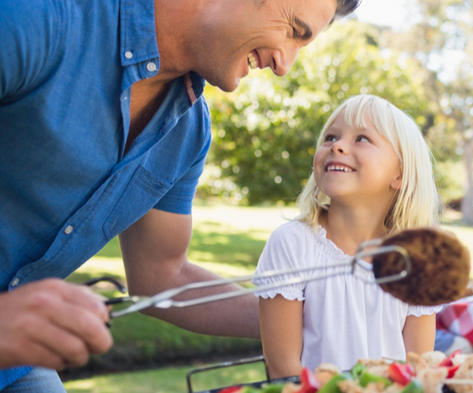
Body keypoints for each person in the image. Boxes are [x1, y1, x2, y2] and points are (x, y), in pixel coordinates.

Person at [0, 0, 359, 390]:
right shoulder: (39, 19)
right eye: (294, 30)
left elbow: (161, 274)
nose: (285, 64)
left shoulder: (188, 132)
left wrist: (309, 316)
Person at [254, 95, 441, 377]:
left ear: (400, 174)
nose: (337, 146)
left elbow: (417, 371)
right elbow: (284, 371)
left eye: (362, 139)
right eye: (330, 137)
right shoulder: (292, 243)